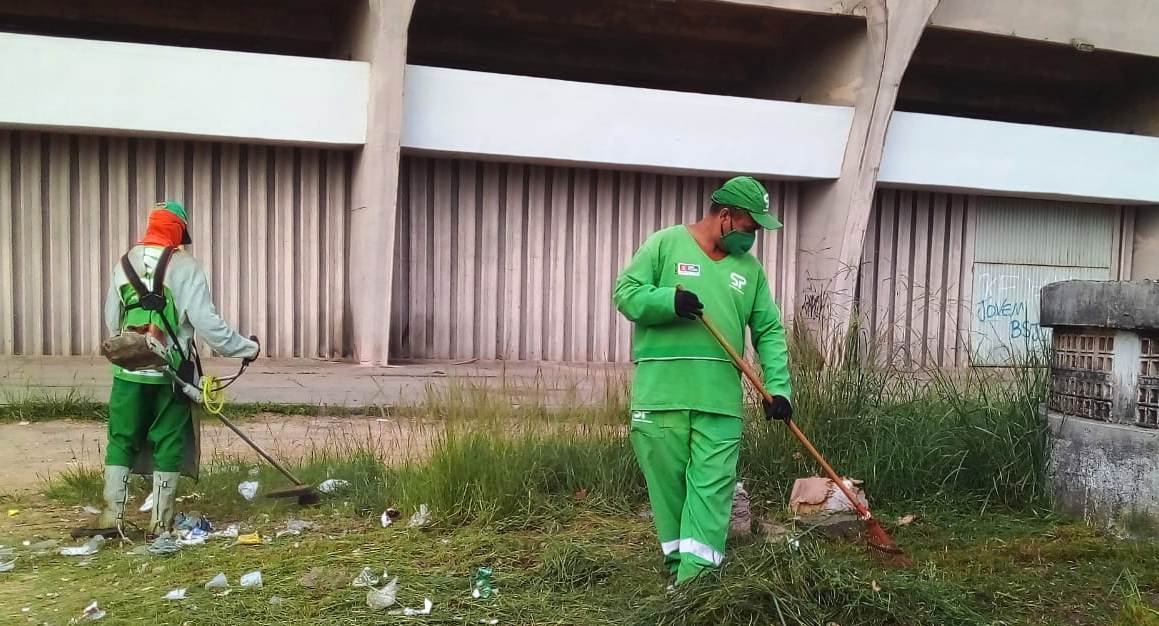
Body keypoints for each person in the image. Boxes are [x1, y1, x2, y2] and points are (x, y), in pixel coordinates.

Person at [612, 175, 792, 585]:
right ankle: (678, 570)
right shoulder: (664, 244)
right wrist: (666, 301)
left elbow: (769, 331)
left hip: (718, 402)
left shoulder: (750, 271)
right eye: (751, 227)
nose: (754, 237)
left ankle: (696, 585)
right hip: (660, 397)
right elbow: (625, 293)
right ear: (725, 216)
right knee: (670, 493)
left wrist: (778, 388)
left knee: (711, 493)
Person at [90, 201, 259, 537]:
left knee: (121, 439)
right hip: (172, 375)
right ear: (179, 232)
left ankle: (112, 518)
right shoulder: (186, 266)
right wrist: (247, 348)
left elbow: (113, 320)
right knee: (168, 441)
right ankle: (159, 524)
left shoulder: (123, 264)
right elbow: (208, 325)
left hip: (128, 372)